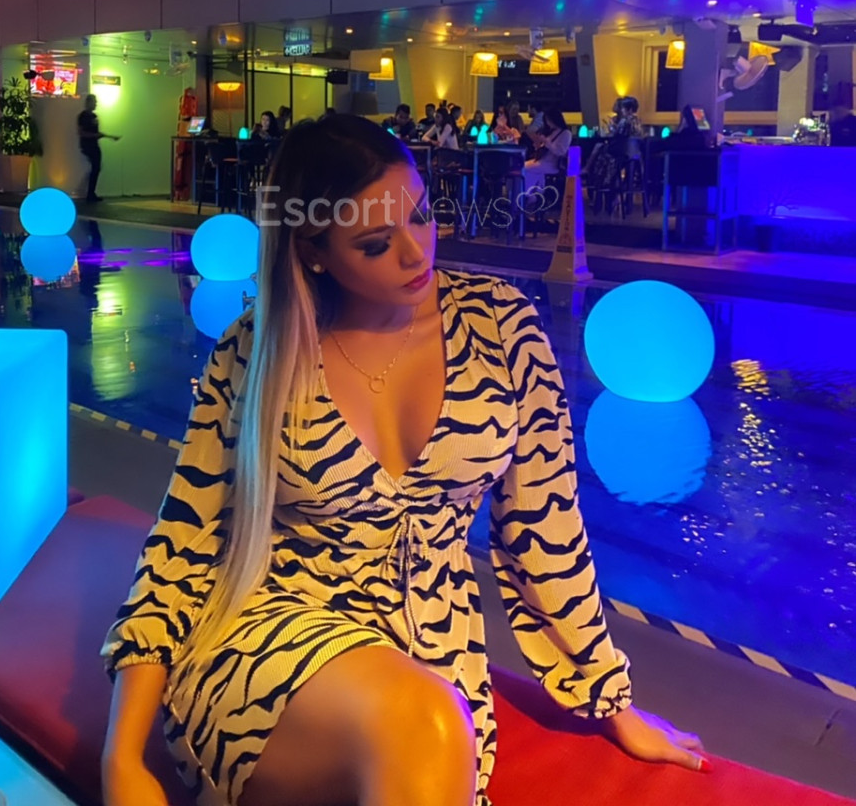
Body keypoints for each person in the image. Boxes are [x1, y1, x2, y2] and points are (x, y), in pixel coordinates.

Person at [101, 115, 706, 806]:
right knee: (423, 725)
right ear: (314, 251)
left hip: (438, 657)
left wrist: (609, 700)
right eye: (375, 243)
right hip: (269, 641)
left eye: (420, 215)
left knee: (428, 725)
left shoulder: (501, 328)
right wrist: (123, 757)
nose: (417, 252)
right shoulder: (257, 350)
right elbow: (185, 546)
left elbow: (546, 532)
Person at [77, 93, 119, 203]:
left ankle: (91, 193)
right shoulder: (83, 116)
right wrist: (96, 135)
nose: (96, 104)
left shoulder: (94, 117)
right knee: (95, 168)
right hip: (88, 146)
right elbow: (81, 133)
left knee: (96, 168)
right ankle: (90, 193)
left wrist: (107, 136)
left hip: (94, 145)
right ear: (88, 103)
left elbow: (95, 132)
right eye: (94, 102)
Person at [524, 107, 572, 201]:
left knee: (526, 168)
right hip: (543, 160)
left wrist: (547, 142)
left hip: (553, 164)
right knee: (525, 167)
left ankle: (529, 195)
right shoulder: (552, 132)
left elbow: (561, 152)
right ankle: (534, 193)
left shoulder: (566, 133)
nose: (548, 123)